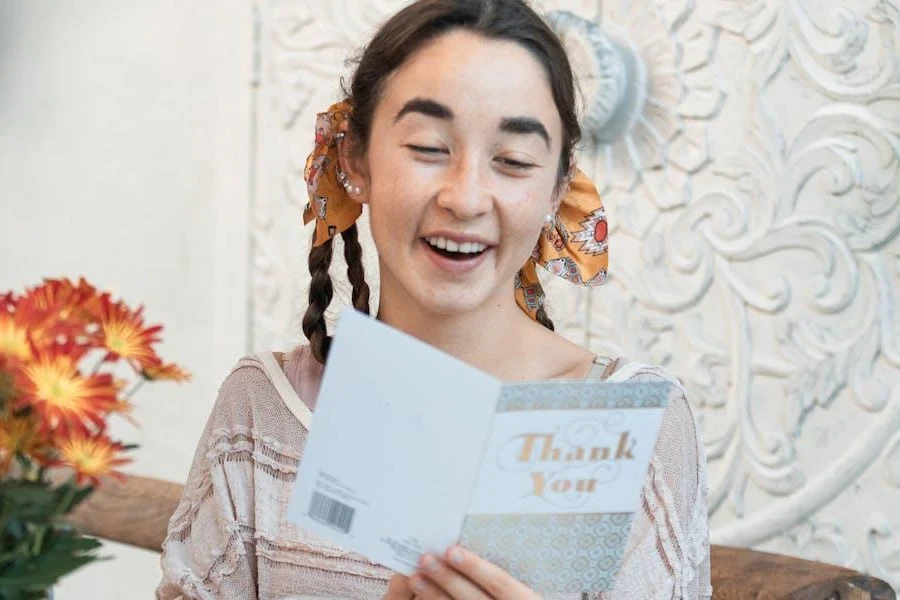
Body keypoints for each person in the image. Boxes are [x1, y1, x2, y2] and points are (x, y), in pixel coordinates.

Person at [156, 0, 711, 598]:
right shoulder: (265, 414)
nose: (467, 197)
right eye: (428, 146)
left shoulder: (633, 427)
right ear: (354, 160)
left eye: (514, 160)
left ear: (558, 187)